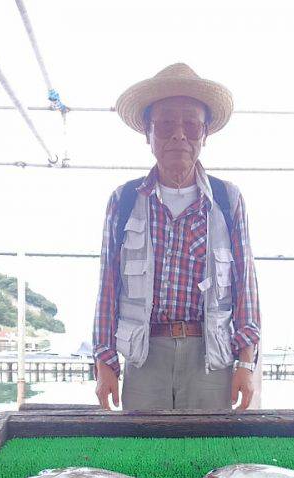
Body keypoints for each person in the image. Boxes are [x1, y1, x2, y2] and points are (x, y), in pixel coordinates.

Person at [93, 63, 261, 412]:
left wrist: (245, 363)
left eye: (191, 125)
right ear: (148, 134)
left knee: (210, 457)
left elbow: (246, 284)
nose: (178, 135)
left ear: (204, 135)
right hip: (144, 356)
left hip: (209, 358)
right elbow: (108, 285)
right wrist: (105, 361)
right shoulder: (124, 200)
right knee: (141, 457)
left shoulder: (228, 200)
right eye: (166, 125)